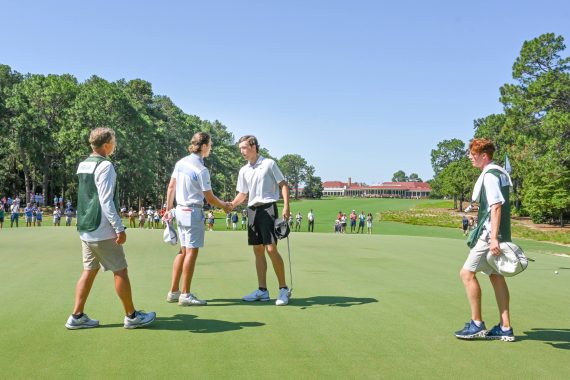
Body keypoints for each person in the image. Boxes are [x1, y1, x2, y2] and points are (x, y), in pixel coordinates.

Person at [66, 127, 155, 330]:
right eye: (113, 141)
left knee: (89, 270)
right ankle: (132, 316)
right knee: (120, 271)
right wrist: (119, 227)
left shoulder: (84, 164)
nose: (115, 144)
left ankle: (77, 316)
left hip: (86, 227)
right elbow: (106, 201)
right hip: (101, 227)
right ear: (106, 145)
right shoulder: (105, 166)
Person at [455, 138, 515, 342]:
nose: (470, 158)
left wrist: (494, 239)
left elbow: (496, 206)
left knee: (466, 273)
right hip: (498, 234)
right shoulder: (499, 173)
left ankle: (477, 324)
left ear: (484, 156)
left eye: (473, 154)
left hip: (489, 235)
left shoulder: (489, 176)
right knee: (496, 276)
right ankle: (505, 327)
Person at [164, 131, 230, 306]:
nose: (211, 149)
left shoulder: (180, 162)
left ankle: (173, 291)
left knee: (183, 250)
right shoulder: (202, 170)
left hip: (179, 210)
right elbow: (209, 198)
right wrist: (224, 205)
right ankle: (185, 294)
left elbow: (171, 186)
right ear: (204, 146)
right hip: (192, 212)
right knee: (191, 252)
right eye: (210, 145)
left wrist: (168, 208)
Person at [229, 135, 291, 306]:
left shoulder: (269, 163)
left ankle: (283, 289)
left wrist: (286, 206)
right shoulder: (244, 170)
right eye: (240, 148)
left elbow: (283, 184)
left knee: (271, 249)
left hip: (268, 207)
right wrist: (230, 205)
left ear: (254, 146)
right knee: (258, 250)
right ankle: (262, 290)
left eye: (244, 147)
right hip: (252, 210)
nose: (241, 151)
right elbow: (242, 194)